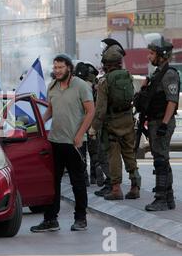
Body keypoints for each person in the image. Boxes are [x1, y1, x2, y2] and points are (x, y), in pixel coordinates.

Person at [30, 54, 95, 233]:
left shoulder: (80, 86)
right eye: (55, 67)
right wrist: (38, 125)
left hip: (75, 142)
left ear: (69, 68)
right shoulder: (52, 86)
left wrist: (80, 135)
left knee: (77, 182)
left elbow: (91, 112)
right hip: (55, 141)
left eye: (60, 67)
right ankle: (51, 219)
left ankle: (80, 218)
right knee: (53, 182)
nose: (57, 71)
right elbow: (50, 110)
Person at [89, 39, 141, 200]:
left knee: (113, 156)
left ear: (106, 63)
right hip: (127, 121)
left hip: (112, 124)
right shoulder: (128, 76)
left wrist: (93, 128)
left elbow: (100, 109)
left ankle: (116, 189)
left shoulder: (105, 82)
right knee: (129, 154)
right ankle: (135, 185)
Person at [141, 37, 180, 211]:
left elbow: (172, 101)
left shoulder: (169, 74)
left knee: (160, 161)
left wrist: (164, 124)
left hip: (162, 122)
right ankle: (169, 198)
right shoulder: (158, 73)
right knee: (162, 159)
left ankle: (161, 199)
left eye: (152, 53)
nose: (149, 57)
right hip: (155, 121)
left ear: (162, 55)